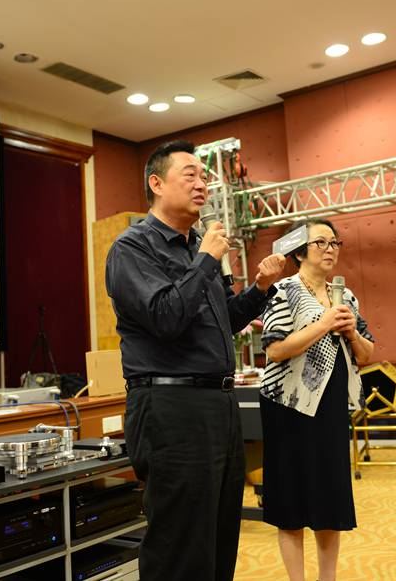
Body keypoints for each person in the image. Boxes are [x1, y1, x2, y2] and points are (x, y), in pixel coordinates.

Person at [105, 140, 286, 581]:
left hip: (218, 405)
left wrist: (260, 289)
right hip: (170, 407)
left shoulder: (196, 250)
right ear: (156, 183)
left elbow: (225, 321)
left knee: (218, 535)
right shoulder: (132, 248)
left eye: (205, 177)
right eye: (190, 175)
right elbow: (166, 317)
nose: (202, 184)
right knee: (181, 544)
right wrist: (206, 258)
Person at [259, 218, 375, 581]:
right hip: (288, 409)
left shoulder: (346, 296)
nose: (330, 249)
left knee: (330, 503)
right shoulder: (283, 291)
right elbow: (275, 349)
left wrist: (352, 333)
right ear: (299, 252)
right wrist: (323, 324)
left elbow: (367, 354)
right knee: (290, 504)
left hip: (331, 408)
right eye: (320, 243)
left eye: (334, 242)